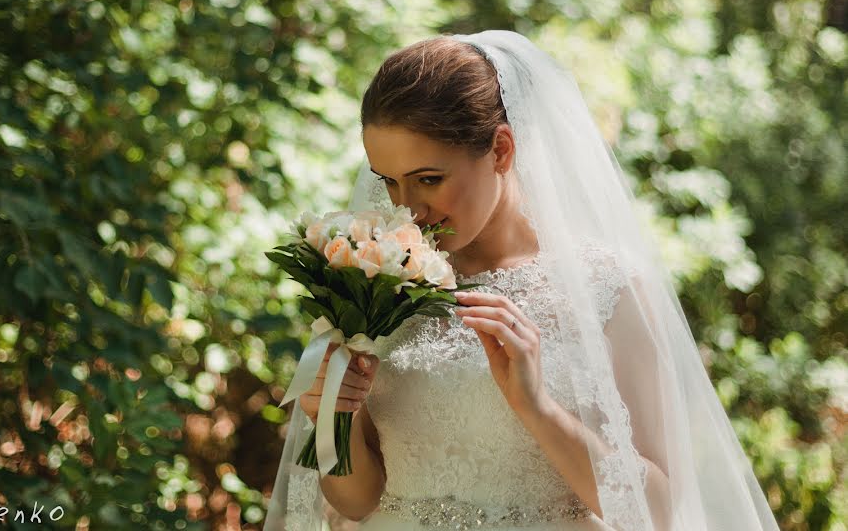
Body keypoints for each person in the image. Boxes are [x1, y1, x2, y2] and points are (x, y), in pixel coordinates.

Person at [263, 30, 779, 531]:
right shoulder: (376, 277)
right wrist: (336, 415)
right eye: (389, 182)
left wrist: (539, 408)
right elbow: (355, 504)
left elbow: (661, 512)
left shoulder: (605, 287)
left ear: (502, 150)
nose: (407, 209)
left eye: (428, 179)